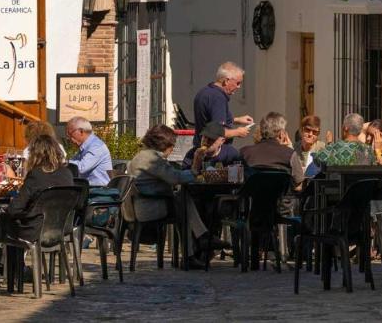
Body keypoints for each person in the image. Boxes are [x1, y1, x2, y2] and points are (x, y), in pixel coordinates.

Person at [125, 124, 207, 260]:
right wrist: (194, 169)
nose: (173, 149)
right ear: (164, 145)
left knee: (182, 200)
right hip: (149, 207)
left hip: (140, 206)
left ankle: (195, 247)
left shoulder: (141, 156)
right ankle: (197, 244)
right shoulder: (152, 159)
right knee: (183, 202)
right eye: (172, 145)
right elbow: (175, 178)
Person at [0, 132, 75, 244]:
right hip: (61, 229)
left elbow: (14, 209)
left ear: (35, 155)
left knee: (0, 218)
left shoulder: (36, 175)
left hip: (35, 231)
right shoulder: (67, 173)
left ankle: (5, 262)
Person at [192, 61, 254, 142]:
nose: (239, 87)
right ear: (226, 81)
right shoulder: (217, 98)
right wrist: (237, 132)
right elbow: (217, 132)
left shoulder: (205, 92)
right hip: (214, 150)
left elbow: (211, 121)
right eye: (237, 83)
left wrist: (237, 120)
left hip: (201, 147)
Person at [240, 112, 303, 184]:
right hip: (280, 194)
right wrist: (289, 148)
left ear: (261, 131)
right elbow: (299, 182)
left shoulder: (244, 152)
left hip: (252, 194)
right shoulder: (289, 154)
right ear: (281, 134)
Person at [66, 116, 112, 186]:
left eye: (70, 133)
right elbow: (72, 163)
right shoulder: (86, 146)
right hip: (89, 190)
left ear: (81, 131)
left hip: (100, 192)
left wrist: (62, 162)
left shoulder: (96, 146)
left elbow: (81, 168)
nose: (68, 138)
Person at [291, 115, 324, 181]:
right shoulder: (294, 148)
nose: (310, 134)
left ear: (318, 134)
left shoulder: (322, 148)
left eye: (315, 132)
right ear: (301, 130)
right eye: (307, 130)